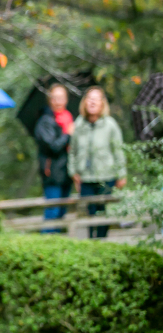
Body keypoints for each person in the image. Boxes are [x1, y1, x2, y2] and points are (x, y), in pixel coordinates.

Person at [68, 86, 127, 238]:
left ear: (102, 103)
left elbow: (118, 150)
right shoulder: (78, 125)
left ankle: (101, 241)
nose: (92, 102)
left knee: (103, 213)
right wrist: (73, 172)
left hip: (106, 176)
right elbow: (73, 151)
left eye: (96, 99)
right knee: (88, 213)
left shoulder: (110, 125)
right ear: (84, 102)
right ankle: (90, 242)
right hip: (85, 177)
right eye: (89, 98)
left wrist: (121, 174)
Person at [34, 84, 74, 230]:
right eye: (55, 98)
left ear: (66, 99)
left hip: (67, 173)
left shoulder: (68, 118)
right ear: (50, 100)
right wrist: (67, 134)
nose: (58, 101)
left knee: (62, 213)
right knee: (53, 212)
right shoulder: (45, 121)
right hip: (52, 174)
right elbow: (53, 146)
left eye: (61, 98)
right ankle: (47, 241)